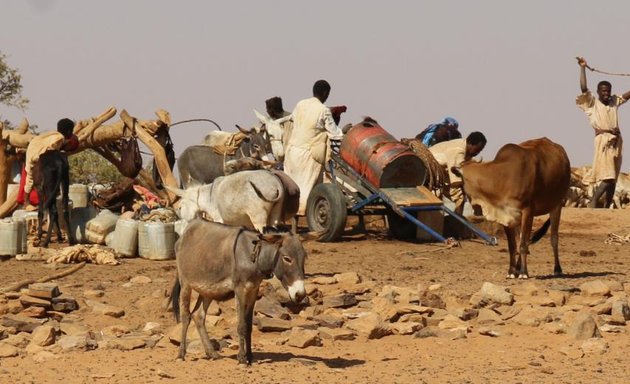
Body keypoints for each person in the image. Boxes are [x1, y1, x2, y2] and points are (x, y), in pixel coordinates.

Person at [576, 57, 630, 208]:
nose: (607, 93)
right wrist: (582, 68)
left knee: (613, 176)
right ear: (598, 92)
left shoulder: (614, 101)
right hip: (603, 141)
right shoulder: (592, 104)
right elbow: (583, 88)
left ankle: (606, 206)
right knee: (609, 176)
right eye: (604, 91)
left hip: (617, 142)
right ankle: (593, 202)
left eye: (608, 91)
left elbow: (626, 95)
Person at [284, 80, 343, 216]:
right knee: (306, 190)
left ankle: (291, 219)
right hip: (307, 156)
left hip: (292, 153)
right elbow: (335, 134)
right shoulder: (323, 110)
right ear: (325, 93)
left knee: (292, 188)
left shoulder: (300, 104)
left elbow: (293, 120)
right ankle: (311, 215)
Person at [429, 131, 487, 214]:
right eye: (477, 150)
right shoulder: (457, 151)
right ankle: (457, 223)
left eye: (480, 151)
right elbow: (456, 179)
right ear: (470, 143)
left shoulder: (465, 152)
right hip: (432, 169)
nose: (477, 153)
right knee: (460, 198)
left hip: (443, 170)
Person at [22, 118, 78, 198]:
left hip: (32, 148)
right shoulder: (60, 138)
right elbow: (52, 150)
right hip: (38, 154)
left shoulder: (53, 133)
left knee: (29, 177)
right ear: (69, 131)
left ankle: (26, 202)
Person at [254, 96, 293, 162]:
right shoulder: (270, 121)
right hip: (278, 156)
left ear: (272, 110)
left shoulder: (290, 120)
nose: (266, 111)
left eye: (267, 109)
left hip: (289, 156)